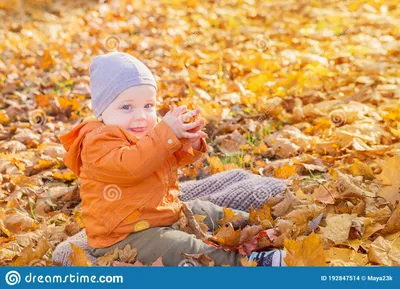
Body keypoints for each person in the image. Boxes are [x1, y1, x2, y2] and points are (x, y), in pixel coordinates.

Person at [59, 51, 286, 266]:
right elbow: (131, 167)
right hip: (125, 235)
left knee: (211, 211)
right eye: (126, 107)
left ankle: (266, 229)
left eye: (148, 105)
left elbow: (167, 159)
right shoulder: (98, 141)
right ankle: (249, 265)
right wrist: (165, 134)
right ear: (101, 112)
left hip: (165, 213)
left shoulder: (148, 131)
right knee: (181, 247)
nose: (140, 116)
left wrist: (189, 142)